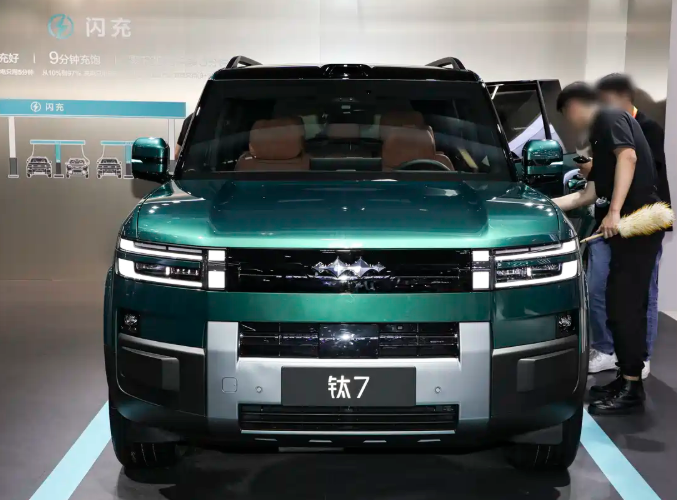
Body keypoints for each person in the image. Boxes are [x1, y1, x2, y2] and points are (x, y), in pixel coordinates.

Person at [553, 82, 663, 415]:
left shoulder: (609, 116)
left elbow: (628, 157)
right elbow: (587, 194)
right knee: (618, 305)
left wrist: (614, 212)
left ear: (575, 105)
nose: (570, 122)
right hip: (627, 231)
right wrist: (541, 205)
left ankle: (632, 388)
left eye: (567, 114)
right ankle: (626, 379)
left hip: (638, 226)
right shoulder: (601, 139)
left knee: (626, 305)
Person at [585, 74, 671, 378]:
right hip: (610, 224)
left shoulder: (648, 128)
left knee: (641, 293)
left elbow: (638, 167)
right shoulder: (605, 128)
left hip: (639, 223)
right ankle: (608, 350)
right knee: (603, 290)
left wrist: (617, 210)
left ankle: (640, 358)